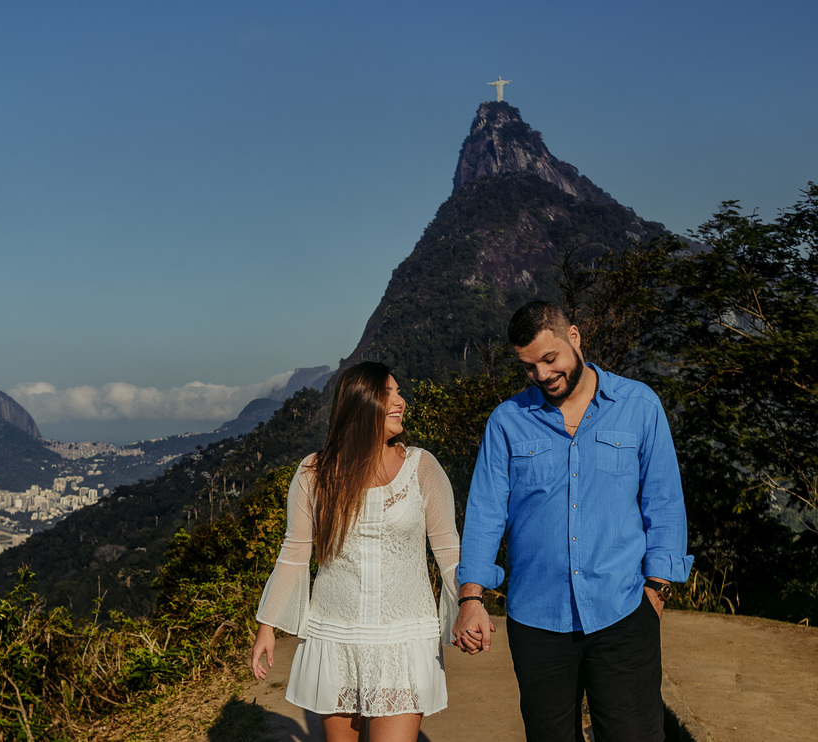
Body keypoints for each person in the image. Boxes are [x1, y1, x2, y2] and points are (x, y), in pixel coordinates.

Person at [452, 301, 693, 742]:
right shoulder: (507, 423)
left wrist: (656, 593)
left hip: (623, 616)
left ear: (575, 338)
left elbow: (664, 504)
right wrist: (471, 597)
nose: (543, 375)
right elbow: (485, 514)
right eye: (529, 367)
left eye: (550, 359)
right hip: (537, 623)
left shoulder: (639, 406)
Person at [250, 361, 461, 742]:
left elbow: (448, 551)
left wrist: (470, 605)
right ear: (361, 403)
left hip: (403, 640)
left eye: (399, 392)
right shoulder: (314, 473)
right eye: (389, 394)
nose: (401, 401)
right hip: (336, 639)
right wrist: (267, 626)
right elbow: (294, 554)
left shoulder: (422, 467)